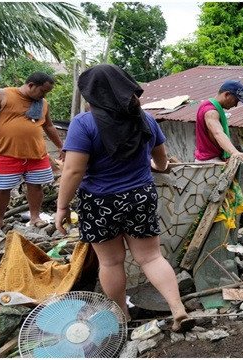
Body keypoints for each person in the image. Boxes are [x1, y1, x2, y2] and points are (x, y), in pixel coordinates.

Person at [54, 64, 192, 331]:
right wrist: (158, 168)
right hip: (140, 196)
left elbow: (73, 170)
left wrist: (61, 207)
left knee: (110, 262)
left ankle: (122, 318)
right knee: (151, 258)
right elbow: (161, 160)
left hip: (99, 202)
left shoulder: (83, 124)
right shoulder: (146, 119)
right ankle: (178, 309)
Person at [0, 72, 64, 235]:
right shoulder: (3, 95)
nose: (44, 95)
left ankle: (35, 217)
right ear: (31, 85)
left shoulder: (42, 103)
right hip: (7, 153)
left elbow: (49, 126)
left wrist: (60, 146)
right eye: (43, 91)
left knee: (35, 187)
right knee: (2, 189)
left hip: (37, 154)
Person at [194, 80, 243, 166]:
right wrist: (234, 152)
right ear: (226, 94)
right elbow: (218, 133)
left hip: (212, 159)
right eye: (236, 100)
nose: (235, 105)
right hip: (210, 161)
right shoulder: (211, 111)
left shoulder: (212, 107)